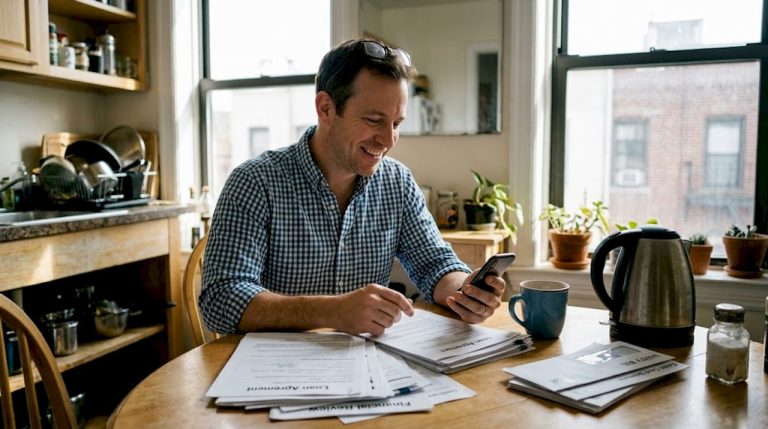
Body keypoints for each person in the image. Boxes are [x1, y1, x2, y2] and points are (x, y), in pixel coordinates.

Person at [200, 38, 506, 337]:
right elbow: (220, 299)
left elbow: (435, 264)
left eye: (397, 124)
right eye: (374, 120)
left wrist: (465, 290)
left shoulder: (396, 182)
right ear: (326, 109)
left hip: (367, 370)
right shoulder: (254, 183)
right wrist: (332, 311)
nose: (388, 141)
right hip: (273, 376)